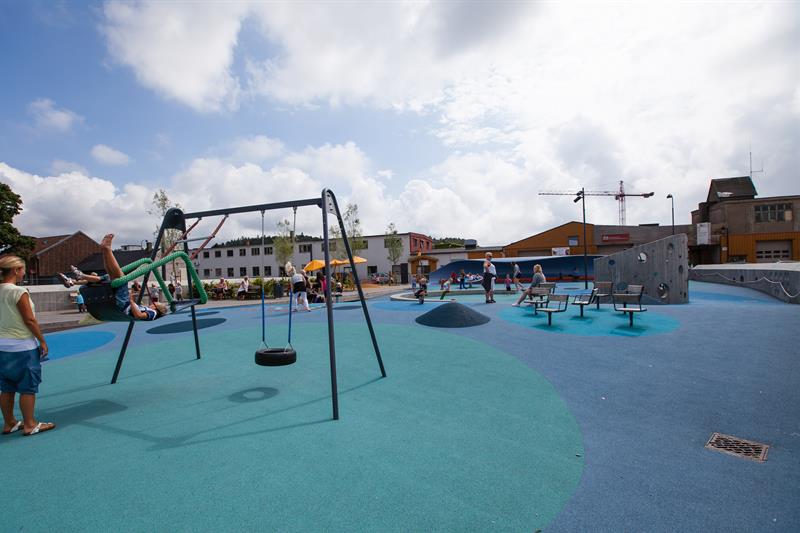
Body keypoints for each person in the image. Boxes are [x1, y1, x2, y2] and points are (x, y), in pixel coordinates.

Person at [0, 255, 55, 436]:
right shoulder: (18, 292)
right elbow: (29, 320)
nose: (24, 273)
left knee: (7, 386)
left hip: (2, 346)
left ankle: (9, 423)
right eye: (23, 269)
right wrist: (42, 340)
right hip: (22, 346)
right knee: (27, 386)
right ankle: (30, 424)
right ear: (16, 270)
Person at [59, 234, 168, 320]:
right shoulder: (151, 311)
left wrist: (131, 300)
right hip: (120, 304)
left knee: (122, 278)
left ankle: (106, 251)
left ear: (156, 308)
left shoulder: (153, 313)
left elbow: (139, 315)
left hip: (123, 304)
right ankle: (103, 252)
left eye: (155, 304)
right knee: (109, 276)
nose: (152, 304)